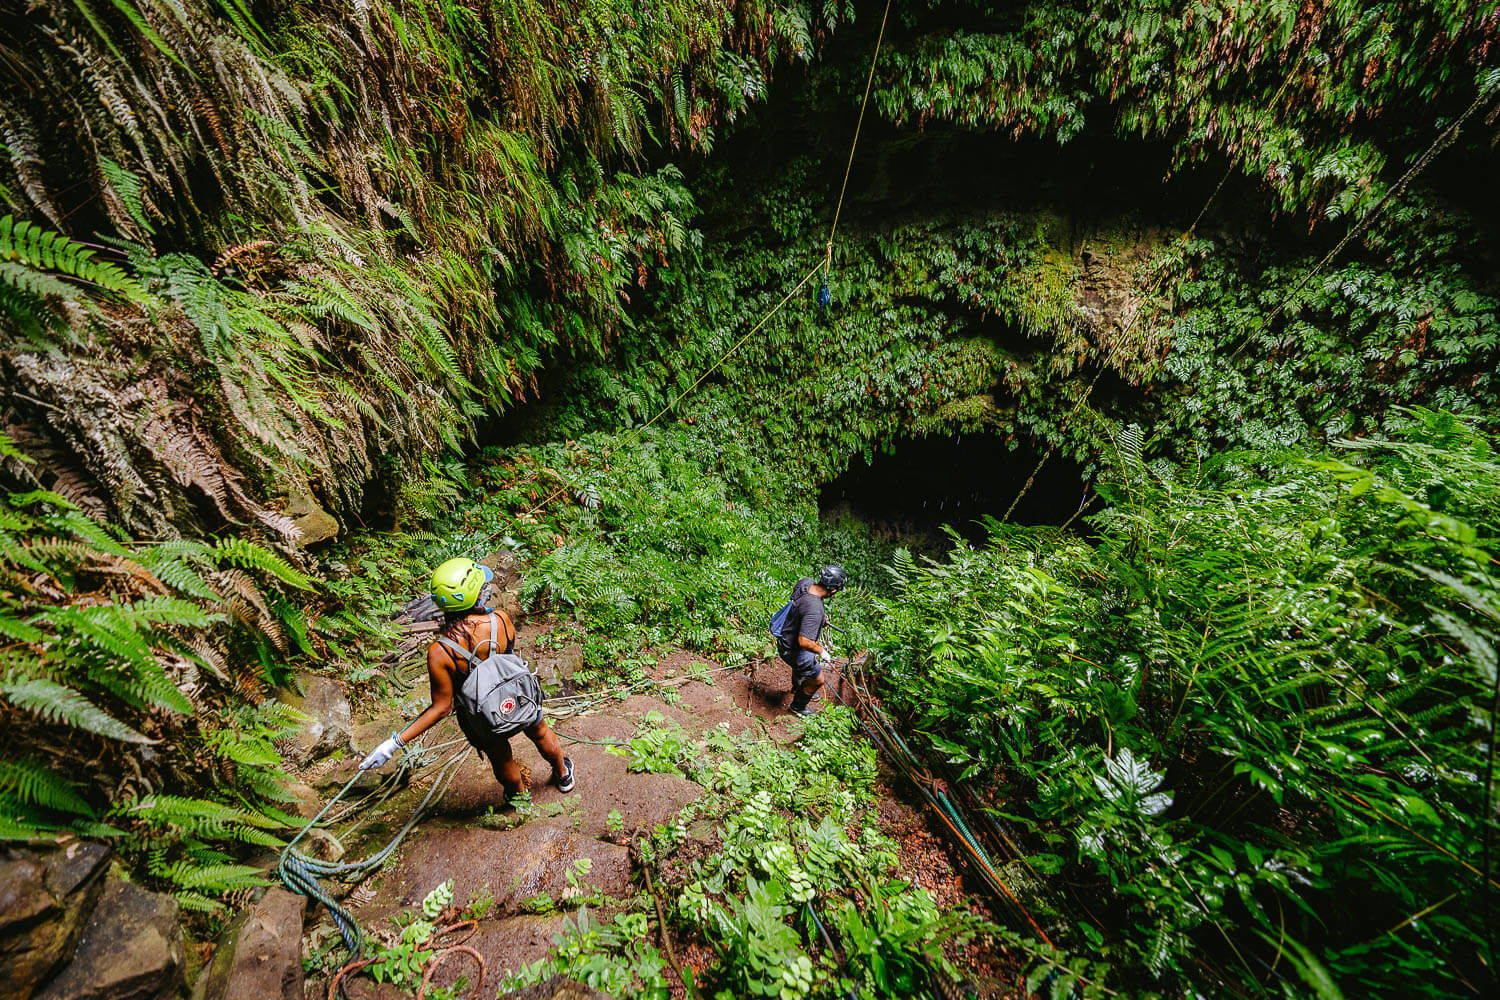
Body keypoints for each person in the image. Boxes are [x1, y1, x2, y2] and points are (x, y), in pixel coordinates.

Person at [359, 557, 574, 802]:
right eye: (483, 588)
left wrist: (393, 743)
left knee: (500, 756)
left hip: (482, 715)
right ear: (475, 596)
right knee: (540, 731)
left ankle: (520, 798)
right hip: (518, 695)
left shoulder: (440, 652)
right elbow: (507, 654)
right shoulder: (501, 619)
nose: (486, 591)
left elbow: (442, 708)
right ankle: (563, 773)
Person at [777, 565, 847, 716]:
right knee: (818, 679)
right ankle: (798, 706)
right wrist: (822, 651)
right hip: (792, 648)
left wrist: (820, 619)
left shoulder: (805, 583)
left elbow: (802, 607)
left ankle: (798, 688)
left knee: (803, 666)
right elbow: (804, 641)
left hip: (786, 636)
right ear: (833, 590)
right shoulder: (814, 610)